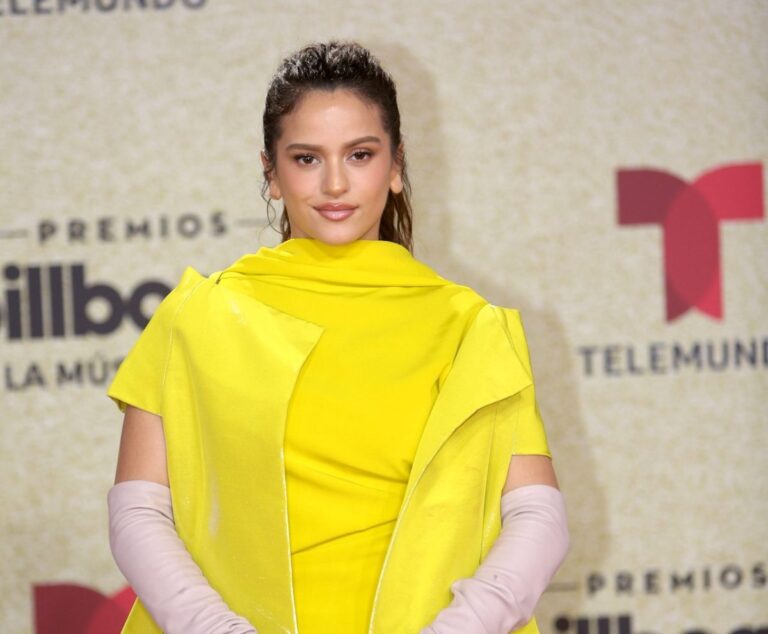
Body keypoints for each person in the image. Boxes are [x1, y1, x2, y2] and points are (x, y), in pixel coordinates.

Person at [106, 40, 569, 634]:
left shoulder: (467, 326)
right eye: (305, 158)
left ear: (396, 165)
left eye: (359, 154)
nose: (333, 184)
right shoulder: (197, 317)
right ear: (270, 173)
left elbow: (537, 515)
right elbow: (138, 510)